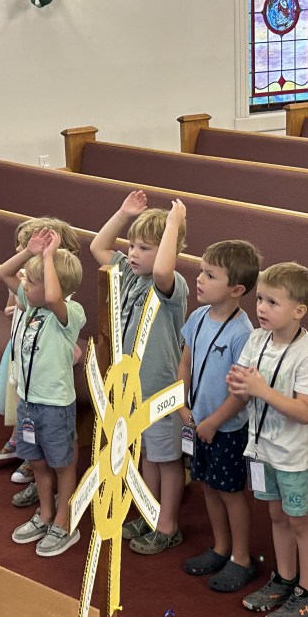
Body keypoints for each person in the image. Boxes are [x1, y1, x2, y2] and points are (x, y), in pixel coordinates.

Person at [225, 262, 308, 617]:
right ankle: (285, 579)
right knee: (276, 516)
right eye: (260, 300)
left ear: (299, 310)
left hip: (293, 457)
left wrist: (261, 390)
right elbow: (244, 385)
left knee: (300, 522)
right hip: (261, 449)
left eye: (273, 302)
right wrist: (239, 385)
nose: (262, 308)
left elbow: (305, 411)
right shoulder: (257, 339)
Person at [91, 190, 189, 555]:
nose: (133, 253)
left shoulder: (170, 285)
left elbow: (163, 268)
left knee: (167, 459)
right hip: (131, 387)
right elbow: (98, 247)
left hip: (159, 389)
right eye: (132, 245)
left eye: (144, 248)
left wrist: (174, 224)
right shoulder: (131, 275)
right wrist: (123, 213)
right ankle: (149, 513)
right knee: (147, 453)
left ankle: (168, 524)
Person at [0, 227, 86, 557]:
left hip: (54, 406)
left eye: (31, 282)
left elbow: (53, 298)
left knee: (62, 463)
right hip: (29, 403)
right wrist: (29, 252)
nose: (24, 286)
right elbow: (4, 273)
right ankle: (45, 514)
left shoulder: (69, 314)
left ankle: (64, 520)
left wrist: (48, 258)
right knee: (38, 462)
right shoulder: (30, 307)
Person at [179, 240, 260, 593]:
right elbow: (185, 362)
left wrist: (214, 421)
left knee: (230, 492)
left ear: (236, 289)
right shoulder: (197, 317)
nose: (199, 279)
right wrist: (182, 404)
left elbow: (242, 392)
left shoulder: (243, 333)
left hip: (226, 427)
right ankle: (221, 547)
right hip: (198, 421)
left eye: (210, 275)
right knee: (208, 487)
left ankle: (241, 558)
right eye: (201, 271)